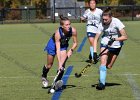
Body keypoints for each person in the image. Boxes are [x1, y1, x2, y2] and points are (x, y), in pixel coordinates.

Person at [94, 7, 128, 90]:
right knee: (103, 61)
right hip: (105, 43)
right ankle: (102, 83)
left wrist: (114, 39)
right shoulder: (101, 23)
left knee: (108, 66)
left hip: (116, 45)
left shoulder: (117, 22)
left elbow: (125, 37)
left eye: (106, 19)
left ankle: (103, 70)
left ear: (111, 17)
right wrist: (94, 53)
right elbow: (96, 39)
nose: (104, 21)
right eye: (103, 19)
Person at [41, 15, 78, 87]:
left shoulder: (73, 30)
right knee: (49, 65)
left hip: (63, 45)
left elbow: (75, 43)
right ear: (62, 26)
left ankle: (57, 82)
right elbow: (57, 49)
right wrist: (59, 63)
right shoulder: (58, 33)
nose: (69, 26)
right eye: (66, 25)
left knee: (62, 67)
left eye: (69, 24)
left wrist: (71, 50)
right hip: (52, 45)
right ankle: (44, 76)